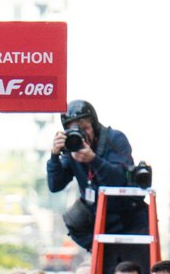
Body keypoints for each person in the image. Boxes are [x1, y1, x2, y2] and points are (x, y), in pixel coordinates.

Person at [46, 99, 143, 251]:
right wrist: (54, 156)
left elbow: (120, 180)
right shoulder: (72, 146)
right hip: (95, 211)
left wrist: (94, 160)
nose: (83, 136)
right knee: (73, 218)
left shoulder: (115, 139)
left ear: (94, 125)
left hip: (124, 211)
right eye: (75, 131)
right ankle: (99, 252)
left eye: (85, 128)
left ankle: (108, 254)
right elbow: (55, 185)